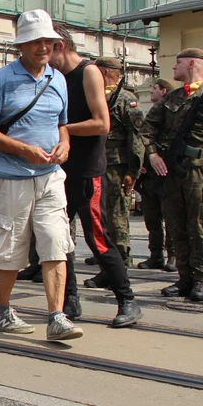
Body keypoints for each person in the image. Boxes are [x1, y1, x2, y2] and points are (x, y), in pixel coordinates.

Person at [0, 9, 81, 340]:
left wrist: (64, 144)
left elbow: (61, 124)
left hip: (50, 177)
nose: (43, 47)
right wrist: (23, 149)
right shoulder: (4, 79)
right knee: (10, 248)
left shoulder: (58, 79)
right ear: (22, 46)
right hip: (12, 179)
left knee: (56, 244)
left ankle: (57, 317)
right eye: (36, 42)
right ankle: (1, 311)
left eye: (48, 41)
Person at [50, 23, 142, 327]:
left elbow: (102, 123)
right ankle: (70, 299)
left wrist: (62, 130)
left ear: (59, 46)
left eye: (45, 47)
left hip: (87, 171)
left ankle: (127, 299)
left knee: (98, 238)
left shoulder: (88, 72)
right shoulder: (53, 77)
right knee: (60, 239)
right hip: (59, 170)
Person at [141, 48, 203, 303]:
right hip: (171, 172)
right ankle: (183, 277)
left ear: (192, 63)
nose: (173, 68)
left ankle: (200, 279)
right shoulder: (172, 98)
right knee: (176, 226)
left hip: (198, 172)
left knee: (199, 226)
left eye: (178, 63)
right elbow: (147, 129)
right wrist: (153, 154)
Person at [90, 57, 144, 278]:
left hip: (116, 166)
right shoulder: (96, 95)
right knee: (100, 215)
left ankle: (119, 262)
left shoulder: (125, 99)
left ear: (104, 72)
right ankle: (107, 262)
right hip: (97, 162)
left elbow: (136, 137)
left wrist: (133, 171)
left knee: (116, 215)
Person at [137, 79, 178, 272]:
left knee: (170, 217)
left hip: (167, 172)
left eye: (154, 88)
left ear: (163, 91)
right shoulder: (151, 114)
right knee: (151, 218)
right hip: (150, 175)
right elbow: (143, 140)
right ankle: (156, 255)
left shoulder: (172, 114)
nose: (151, 91)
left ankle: (173, 255)